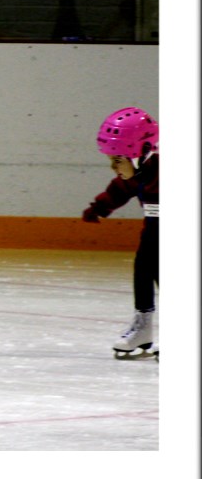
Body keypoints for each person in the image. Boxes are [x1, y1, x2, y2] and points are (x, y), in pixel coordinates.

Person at [82, 107, 159, 360]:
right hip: (155, 225)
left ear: (141, 153)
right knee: (144, 270)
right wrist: (100, 208)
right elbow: (119, 188)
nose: (113, 167)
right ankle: (143, 326)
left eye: (117, 160)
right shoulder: (138, 172)